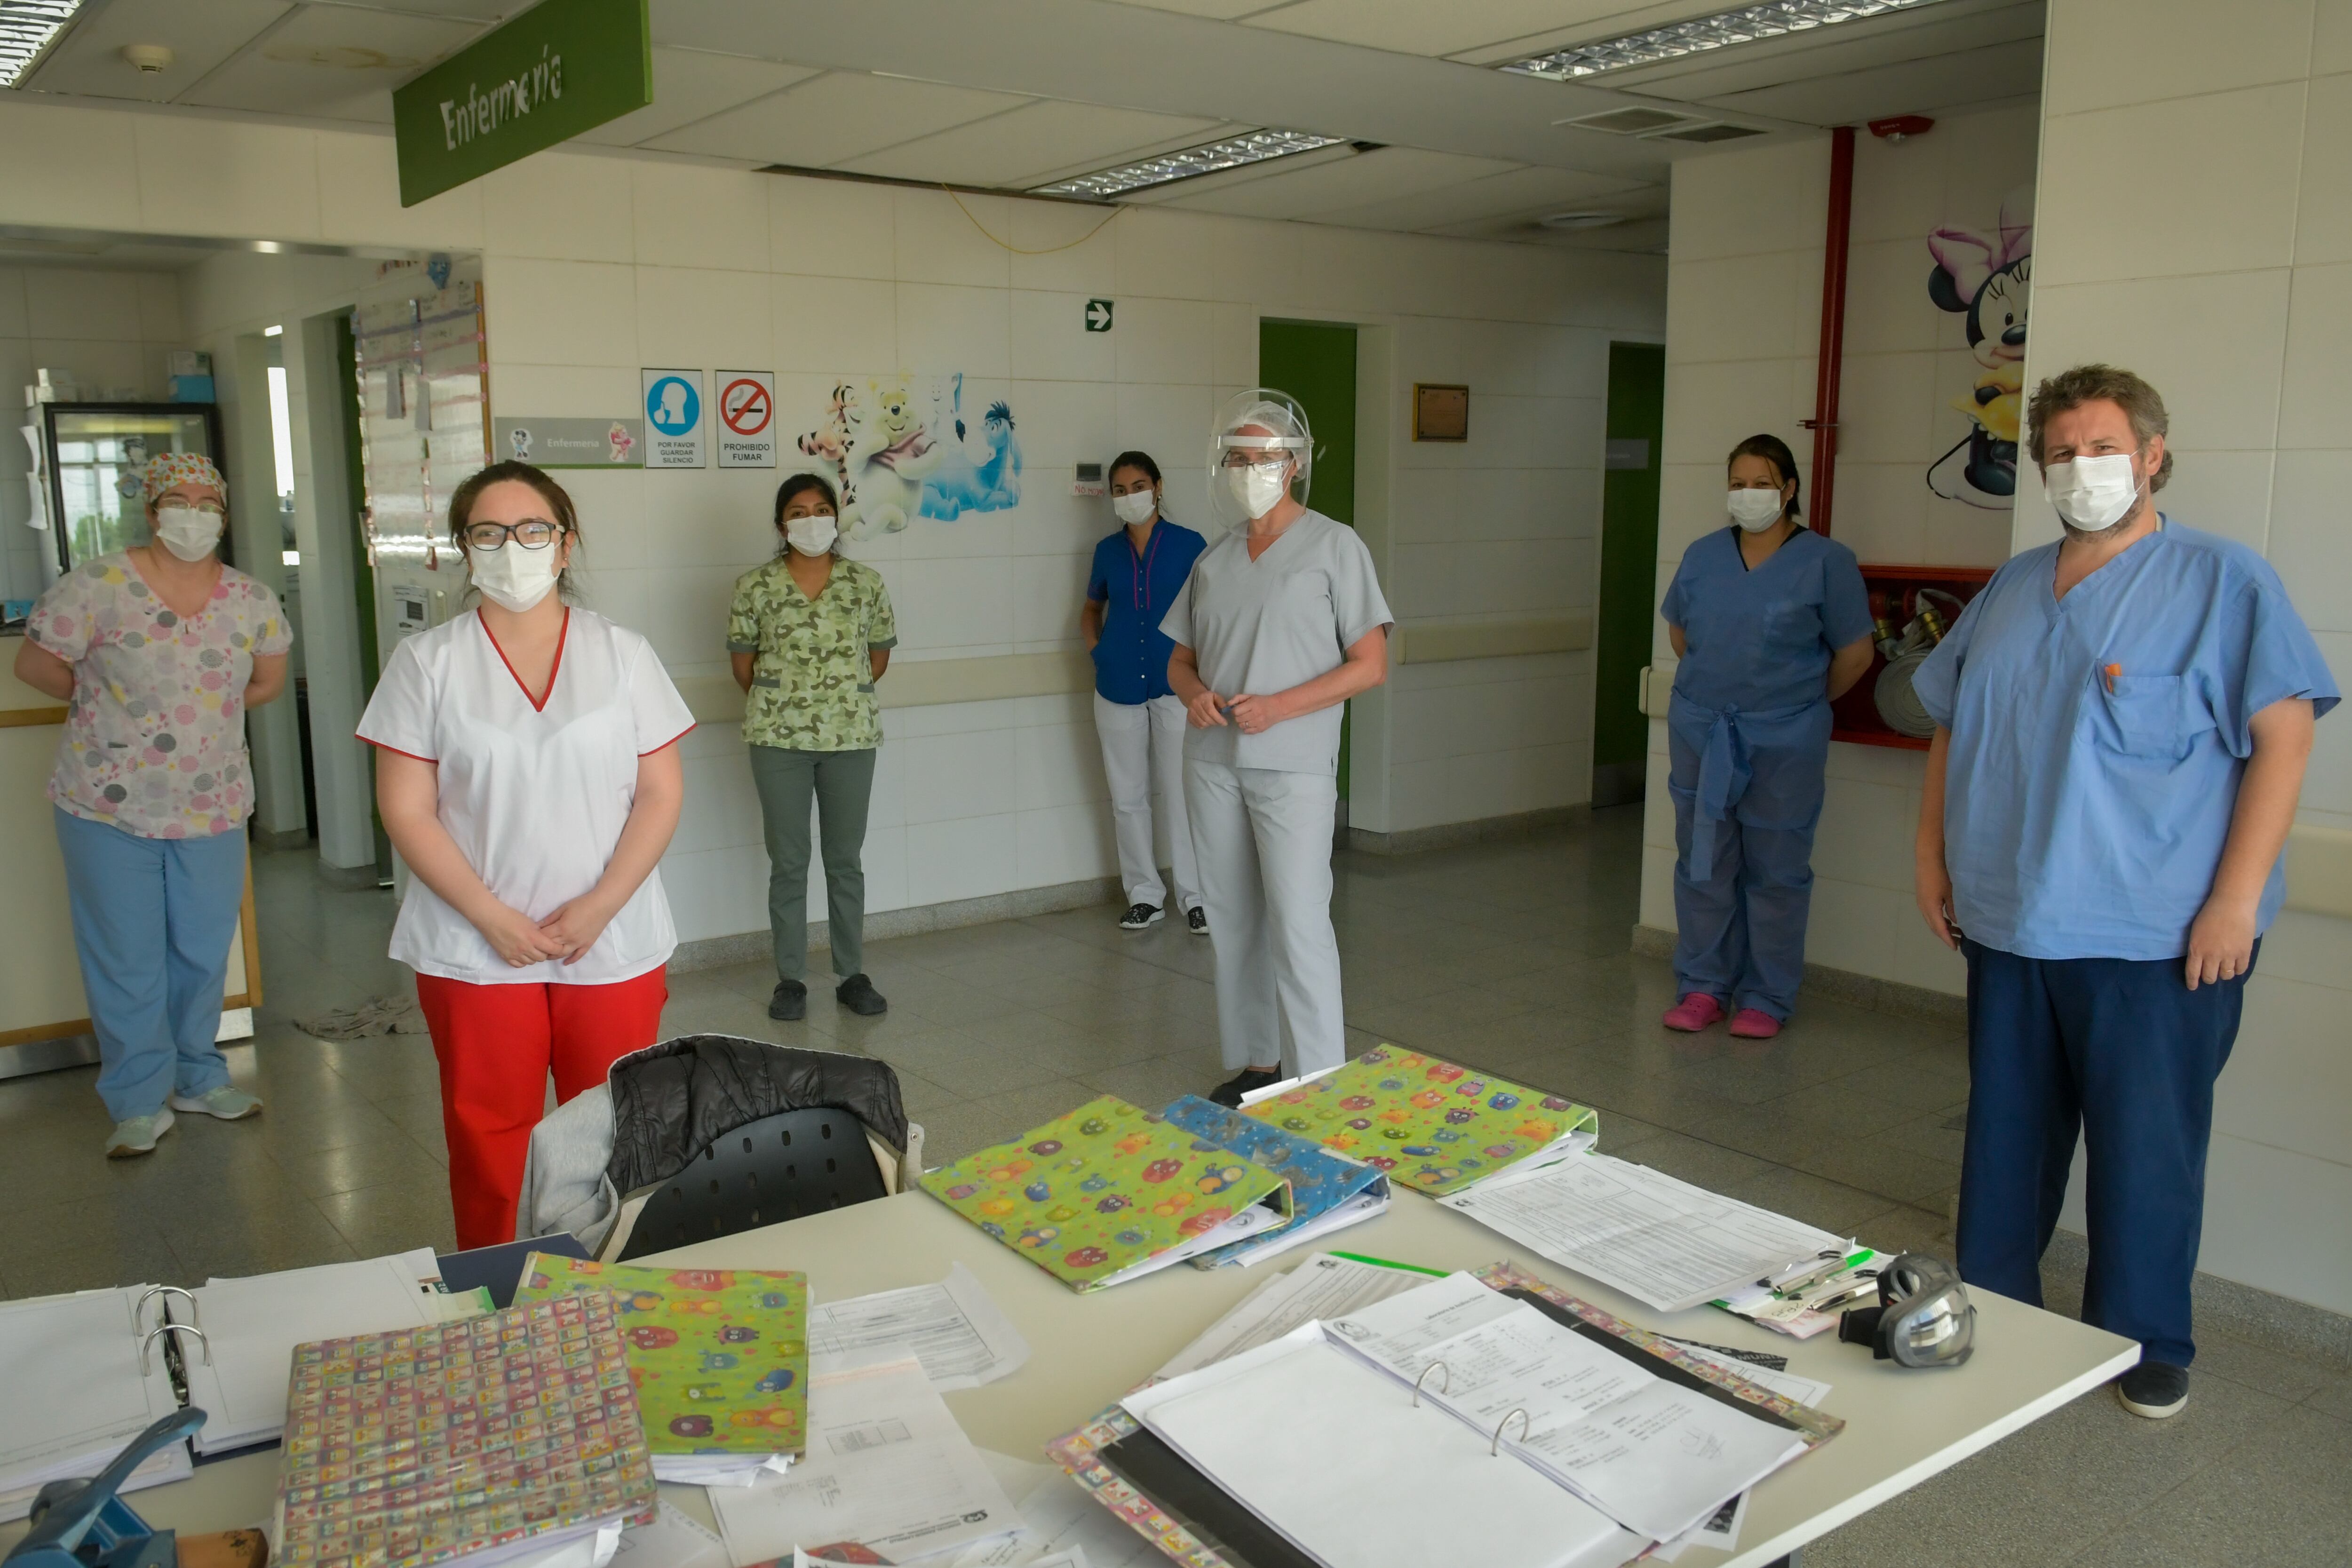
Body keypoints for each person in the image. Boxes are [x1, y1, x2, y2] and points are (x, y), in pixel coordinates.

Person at [1913, 364, 2333, 1420]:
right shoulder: (2011, 589)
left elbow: (2284, 735)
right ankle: (2001, 1310)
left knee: (2147, 1150)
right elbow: (1954, 725)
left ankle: (2142, 1341)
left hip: (2155, 935)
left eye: (2101, 446)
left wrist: (2234, 901)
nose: (2079, 466)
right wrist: (1931, 854)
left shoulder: (2222, 583)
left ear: (2151, 454)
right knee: (2004, 1138)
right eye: (2060, 450)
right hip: (2010, 921)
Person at [359, 462, 693, 1250]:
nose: (514, 548)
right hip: (474, 944)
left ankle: (608, 1273)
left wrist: (602, 904)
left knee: (613, 1124)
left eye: (533, 529)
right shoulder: (428, 663)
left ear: (566, 544)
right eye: (490, 532)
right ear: (464, 549)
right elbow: (405, 807)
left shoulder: (623, 653)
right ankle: (492, 1284)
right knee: (488, 1132)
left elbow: (660, 794)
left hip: (609, 938)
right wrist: (492, 917)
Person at [13, 453, 290, 1156]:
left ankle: (199, 1077)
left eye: (207, 502)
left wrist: (192, 723)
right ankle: (138, 1100)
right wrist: (112, 711)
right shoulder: (98, 585)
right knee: (125, 954)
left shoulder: (251, 598)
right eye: (179, 500)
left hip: (213, 803)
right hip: (106, 805)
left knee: (201, 951)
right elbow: (36, 664)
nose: (193, 514)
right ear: (152, 509)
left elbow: (265, 681)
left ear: (223, 515)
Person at [1164, 391, 1391, 1107]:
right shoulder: (1215, 557)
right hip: (1213, 762)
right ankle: (1259, 1062)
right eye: (1237, 457)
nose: (1248, 469)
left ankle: (1320, 1076)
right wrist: (1193, 693)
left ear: (1293, 465)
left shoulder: (1334, 546)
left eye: (1263, 457)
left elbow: (1371, 663)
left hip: (1291, 764)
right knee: (1232, 917)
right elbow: (1180, 660)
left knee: (1298, 920)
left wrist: (1280, 707)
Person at [1657, 434, 1874, 1040]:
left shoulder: (1825, 561)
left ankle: (1765, 996)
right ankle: (1701, 987)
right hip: (1703, 728)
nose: (1747, 495)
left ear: (1788, 489)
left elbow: (1854, 654)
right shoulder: (1703, 555)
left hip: (1785, 737)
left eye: (1760, 483)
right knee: (1703, 860)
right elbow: (1683, 636)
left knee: (1776, 868)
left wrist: (1792, 707)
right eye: (1738, 483)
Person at [729, 473, 897, 1022]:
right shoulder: (755, 586)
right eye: (798, 512)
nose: (810, 520)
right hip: (778, 740)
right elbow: (743, 667)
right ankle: (791, 979)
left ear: (837, 516)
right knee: (789, 861)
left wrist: (833, 696)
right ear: (782, 524)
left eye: (821, 509)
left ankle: (851, 974)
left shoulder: (864, 583)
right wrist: (793, 701)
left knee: (845, 860)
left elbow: (877, 659)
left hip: (850, 739)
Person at [1083, 450, 1209, 933]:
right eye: (1119, 490)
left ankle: (1196, 898)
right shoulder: (1106, 552)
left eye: (1137, 485)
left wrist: (1199, 670)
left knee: (1182, 794)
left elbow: (1207, 614)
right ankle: (1143, 895)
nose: (1129, 496)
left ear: (1157, 487)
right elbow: (1090, 609)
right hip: (1116, 686)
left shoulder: (1189, 545)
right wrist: (1098, 651)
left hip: (1174, 686)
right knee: (1127, 796)